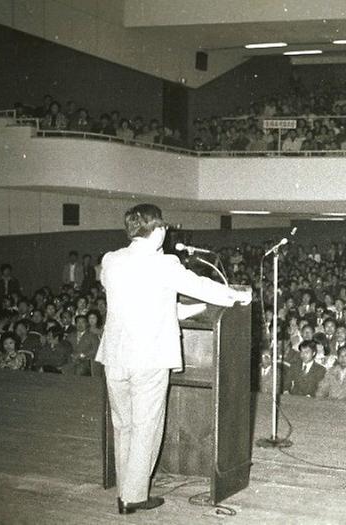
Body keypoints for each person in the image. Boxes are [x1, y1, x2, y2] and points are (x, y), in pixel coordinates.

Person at [96, 204, 250, 515]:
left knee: (123, 425)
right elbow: (200, 286)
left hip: (115, 357)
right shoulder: (165, 263)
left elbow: (145, 304)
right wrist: (236, 295)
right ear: (158, 230)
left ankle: (126, 487)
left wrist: (188, 309)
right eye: (164, 228)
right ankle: (133, 496)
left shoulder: (110, 261)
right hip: (149, 358)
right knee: (145, 427)